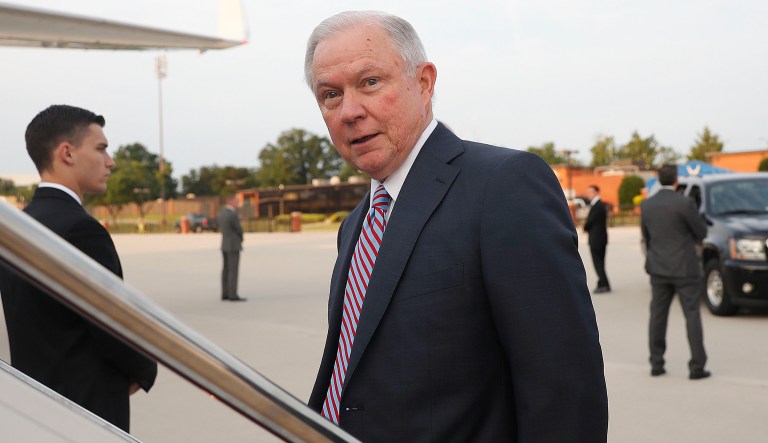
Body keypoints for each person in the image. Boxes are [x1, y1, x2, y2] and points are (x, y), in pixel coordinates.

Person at [304, 11, 608, 441]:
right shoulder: (356, 226)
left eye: (370, 82)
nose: (350, 111)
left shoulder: (504, 186)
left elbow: (564, 392)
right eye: (330, 95)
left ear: (424, 83)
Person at [0, 105, 157, 432]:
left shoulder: (18, 228)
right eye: (100, 148)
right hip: (86, 409)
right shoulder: (80, 229)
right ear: (67, 153)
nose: (110, 161)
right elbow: (113, 322)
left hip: (35, 407)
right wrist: (142, 369)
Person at [640, 164, 710, 380]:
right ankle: (697, 367)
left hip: (658, 268)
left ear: (659, 180)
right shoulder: (684, 202)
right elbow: (701, 231)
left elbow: (647, 237)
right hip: (685, 268)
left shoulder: (647, 205)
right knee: (692, 316)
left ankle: (656, 364)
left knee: (658, 317)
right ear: (676, 179)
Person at [583, 184, 611, 293]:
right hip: (600, 238)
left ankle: (604, 284)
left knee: (598, 262)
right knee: (600, 262)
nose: (588, 194)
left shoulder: (598, 205)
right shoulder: (598, 205)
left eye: (590, 192)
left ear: (596, 192)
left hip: (597, 238)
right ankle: (602, 282)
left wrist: (585, 227)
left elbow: (590, 221)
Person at [218, 195, 245, 301]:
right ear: (232, 202)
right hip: (233, 245)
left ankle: (225, 293)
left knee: (226, 270)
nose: (238, 204)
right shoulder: (233, 214)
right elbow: (238, 229)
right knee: (233, 270)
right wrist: (241, 237)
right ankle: (232, 294)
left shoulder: (222, 213)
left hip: (224, 244)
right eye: (237, 202)